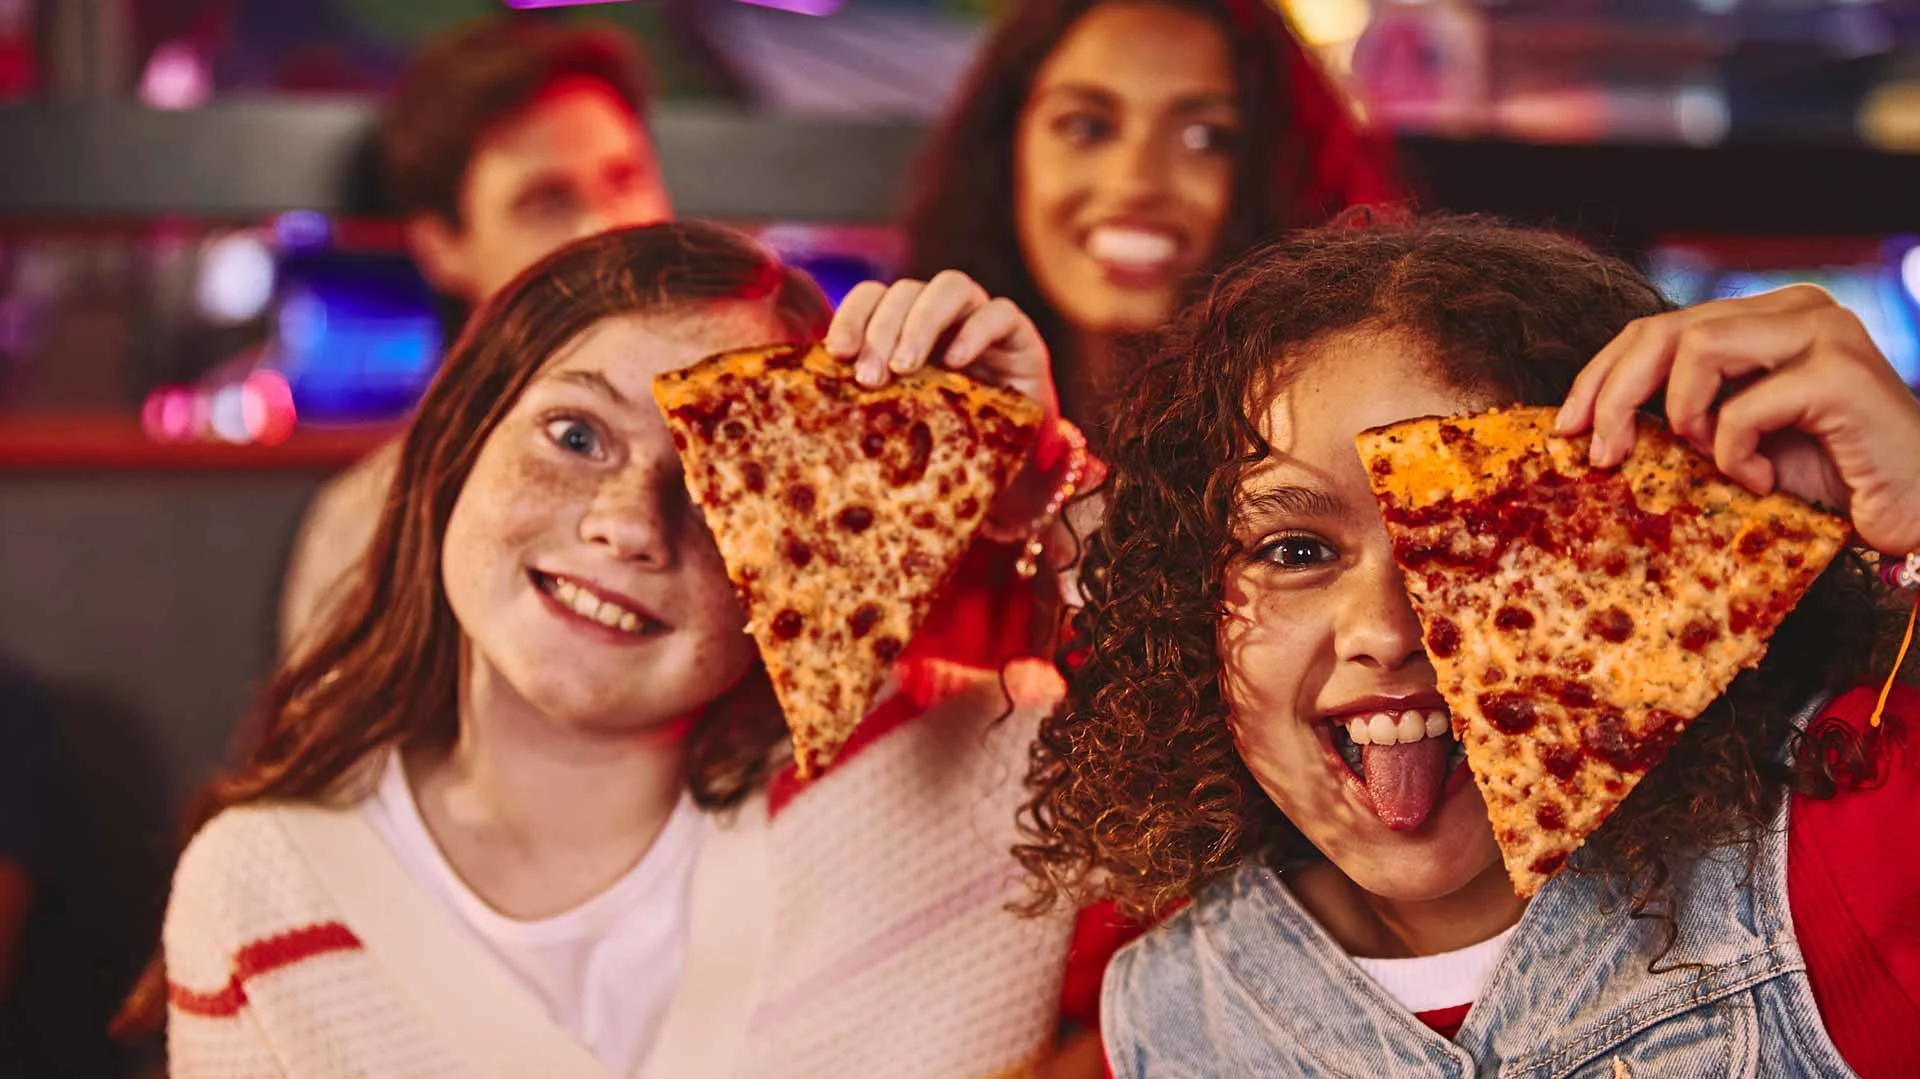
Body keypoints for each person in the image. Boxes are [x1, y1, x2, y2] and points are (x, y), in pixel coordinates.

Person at [124, 221, 1100, 1079]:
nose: (631, 523)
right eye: (575, 434)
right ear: (456, 445)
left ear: (807, 548)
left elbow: (1249, 809)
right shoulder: (263, 887)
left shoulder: (984, 769)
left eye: (721, 477)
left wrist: (1054, 484)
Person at [1019, 214, 1920, 1077]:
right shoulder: (1167, 1017)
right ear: (1187, 613)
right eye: (1295, 550)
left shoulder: (1848, 839)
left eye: (1478, 546)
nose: (1385, 629)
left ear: (1637, 588)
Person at [279, 15, 673, 649]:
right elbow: (344, 744)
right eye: (548, 203)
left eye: (626, 181)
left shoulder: (744, 454)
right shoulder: (378, 521)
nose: (609, 230)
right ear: (443, 247)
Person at [901, 0, 1401, 441]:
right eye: (1087, 126)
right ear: (1003, 151)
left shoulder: (1358, 445)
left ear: (1289, 168)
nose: (1135, 183)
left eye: (1205, 138)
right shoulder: (911, 428)